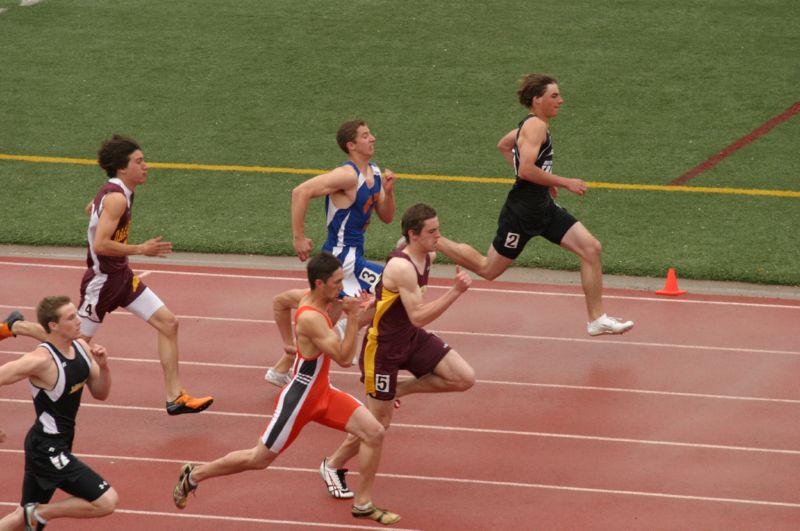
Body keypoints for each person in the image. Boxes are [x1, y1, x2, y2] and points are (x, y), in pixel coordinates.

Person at [173, 252, 400, 525]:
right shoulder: (309, 318)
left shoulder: (316, 297)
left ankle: (362, 503)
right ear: (320, 283)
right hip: (300, 398)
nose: (343, 287)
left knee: (374, 432)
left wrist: (361, 306)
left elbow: (282, 302)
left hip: (323, 392)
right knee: (259, 458)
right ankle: (195, 475)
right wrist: (353, 318)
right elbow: (343, 358)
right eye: (338, 282)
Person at [435, 73, 634, 336]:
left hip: (543, 207)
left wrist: (544, 182)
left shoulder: (532, 125)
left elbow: (504, 145)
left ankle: (596, 319)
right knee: (488, 269)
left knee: (591, 248)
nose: (561, 101)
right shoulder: (535, 126)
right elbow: (526, 170)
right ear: (537, 100)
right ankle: (431, 240)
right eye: (554, 96)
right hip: (522, 212)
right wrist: (564, 182)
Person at [319, 203, 475, 501]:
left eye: (438, 229)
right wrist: (455, 291)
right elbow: (418, 315)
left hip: (410, 338)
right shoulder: (402, 267)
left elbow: (462, 255)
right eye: (432, 232)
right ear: (414, 235)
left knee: (463, 377)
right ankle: (333, 464)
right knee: (378, 424)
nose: (438, 236)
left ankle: (399, 389)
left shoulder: (427, 254)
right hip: (384, 349)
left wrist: (484, 264)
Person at [77, 134, 213, 415]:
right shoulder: (116, 198)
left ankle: (175, 396)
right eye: (139, 162)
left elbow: (91, 208)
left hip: (122, 277)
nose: (146, 166)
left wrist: (96, 212)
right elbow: (101, 244)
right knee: (71, 346)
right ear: (122, 168)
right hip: (102, 283)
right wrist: (141, 248)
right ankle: (18, 330)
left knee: (169, 323)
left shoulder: (116, 192)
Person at [264, 119, 397, 386]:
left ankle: (282, 369)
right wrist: (298, 237)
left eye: (370, 134)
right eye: (365, 135)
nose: (373, 139)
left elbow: (387, 217)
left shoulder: (375, 173)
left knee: (335, 313)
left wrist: (389, 193)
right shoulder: (347, 175)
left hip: (354, 256)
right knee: (396, 287)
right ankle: (334, 335)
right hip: (340, 258)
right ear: (352, 145)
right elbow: (300, 191)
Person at [0, 296, 118, 531]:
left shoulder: (82, 349)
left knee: (21, 517)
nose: (78, 321)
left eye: (77, 314)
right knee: (107, 501)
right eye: (71, 317)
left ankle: (34, 513)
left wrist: (104, 367)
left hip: (59, 442)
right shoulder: (40, 360)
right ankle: (40, 513)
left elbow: (101, 393)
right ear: (53, 325)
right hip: (46, 448)